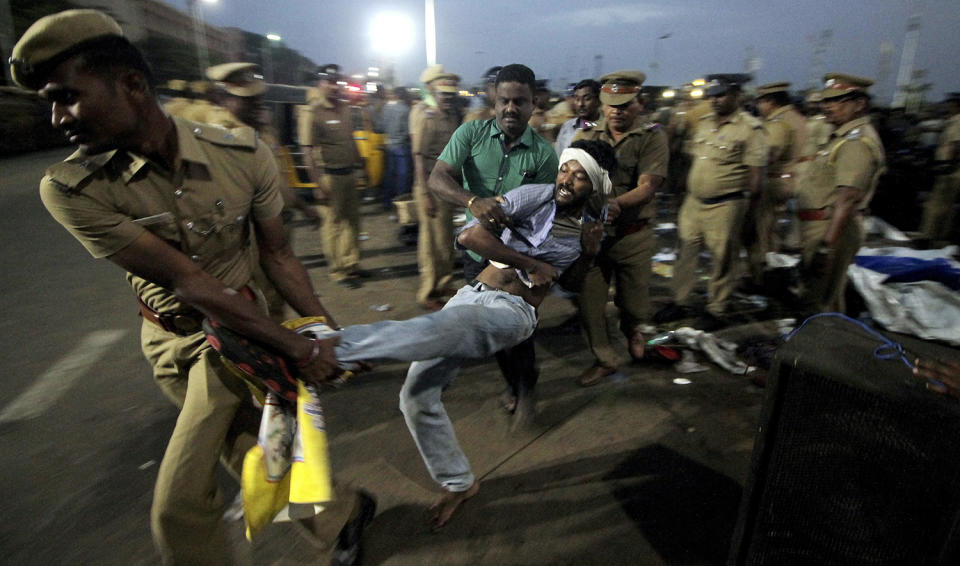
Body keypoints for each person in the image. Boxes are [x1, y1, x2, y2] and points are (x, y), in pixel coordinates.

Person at [10, 9, 373, 566]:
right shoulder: (69, 187)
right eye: (50, 103)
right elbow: (189, 282)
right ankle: (344, 513)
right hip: (176, 342)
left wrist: (323, 332)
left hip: (241, 341)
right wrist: (301, 347)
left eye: (67, 96)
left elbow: (277, 254)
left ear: (130, 85)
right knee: (258, 453)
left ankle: (339, 516)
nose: (58, 118)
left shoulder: (242, 153)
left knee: (177, 507)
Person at [331, 140, 611, 529]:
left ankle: (335, 349)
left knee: (443, 328)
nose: (567, 180)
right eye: (566, 169)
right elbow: (470, 238)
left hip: (514, 311)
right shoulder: (537, 194)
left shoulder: (590, 225)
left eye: (580, 177)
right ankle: (460, 483)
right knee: (415, 396)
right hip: (472, 295)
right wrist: (529, 261)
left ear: (594, 185)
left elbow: (573, 284)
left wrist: (588, 253)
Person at [429, 63, 559, 430]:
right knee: (492, 331)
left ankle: (526, 388)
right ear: (493, 99)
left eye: (520, 101)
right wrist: (473, 201)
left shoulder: (544, 156)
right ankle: (513, 385)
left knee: (518, 330)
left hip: (517, 258)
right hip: (475, 255)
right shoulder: (469, 134)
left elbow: (547, 215)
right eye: (504, 101)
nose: (510, 109)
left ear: (534, 104)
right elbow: (437, 178)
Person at [571, 70, 669, 386]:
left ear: (638, 104)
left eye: (624, 104)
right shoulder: (585, 135)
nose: (617, 111)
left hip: (633, 236)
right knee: (590, 305)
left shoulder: (652, 136)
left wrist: (617, 204)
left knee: (634, 303)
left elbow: (648, 184)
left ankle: (634, 332)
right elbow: (569, 176)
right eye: (611, 104)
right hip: (594, 238)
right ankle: (605, 359)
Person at [203, 61, 321, 322]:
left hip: (275, 224)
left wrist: (302, 207)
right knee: (262, 301)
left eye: (258, 99)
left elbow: (277, 180)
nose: (258, 106)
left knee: (277, 297)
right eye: (247, 100)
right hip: (250, 235)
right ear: (223, 99)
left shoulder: (259, 129)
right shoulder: (220, 136)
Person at [655, 74, 767, 331]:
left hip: (726, 203)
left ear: (736, 95)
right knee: (685, 252)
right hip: (694, 201)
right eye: (712, 96)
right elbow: (693, 161)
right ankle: (679, 301)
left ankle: (716, 308)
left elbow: (756, 178)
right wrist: (681, 193)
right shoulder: (704, 124)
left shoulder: (750, 129)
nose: (715, 100)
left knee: (722, 258)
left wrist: (750, 216)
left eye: (721, 95)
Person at [795, 73, 885, 314]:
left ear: (859, 104)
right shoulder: (840, 137)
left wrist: (826, 246)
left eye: (837, 101)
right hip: (822, 225)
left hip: (833, 228)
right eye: (826, 101)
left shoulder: (856, 142)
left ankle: (817, 349)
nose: (828, 106)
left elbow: (847, 198)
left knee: (817, 300)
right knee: (828, 296)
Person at [299, 64, 368, 289]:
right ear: (320, 84)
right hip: (329, 177)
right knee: (334, 226)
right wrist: (317, 184)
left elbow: (350, 140)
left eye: (337, 82)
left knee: (353, 223)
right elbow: (307, 151)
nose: (334, 86)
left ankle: (351, 265)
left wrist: (361, 165)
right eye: (329, 82)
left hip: (349, 174)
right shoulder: (313, 112)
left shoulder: (346, 108)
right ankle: (338, 271)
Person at [410, 66, 462, 310]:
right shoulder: (425, 115)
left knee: (445, 239)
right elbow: (419, 156)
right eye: (444, 94)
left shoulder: (450, 115)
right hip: (430, 185)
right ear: (432, 90)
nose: (449, 98)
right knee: (431, 242)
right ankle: (428, 292)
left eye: (452, 94)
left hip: (447, 184)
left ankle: (443, 282)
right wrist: (424, 194)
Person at [747, 81, 808, 287]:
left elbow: (767, 155)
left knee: (759, 230)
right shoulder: (797, 117)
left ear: (770, 102)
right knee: (771, 229)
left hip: (775, 181)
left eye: (760, 102)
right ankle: (772, 268)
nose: (758, 107)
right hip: (793, 179)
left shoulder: (778, 123)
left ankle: (760, 276)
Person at [918, 93, 960, 247]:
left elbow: (955, 144)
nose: (946, 106)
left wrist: (948, 163)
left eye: (949, 103)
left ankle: (929, 236)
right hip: (951, 168)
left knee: (938, 204)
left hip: (951, 170)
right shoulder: (951, 121)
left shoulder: (957, 122)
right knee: (945, 205)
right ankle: (939, 236)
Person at [379, 86, 414, 211]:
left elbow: (381, 126)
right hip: (402, 148)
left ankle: (387, 202)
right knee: (402, 178)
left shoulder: (386, 108)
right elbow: (409, 131)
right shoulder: (406, 110)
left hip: (389, 146)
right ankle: (400, 206)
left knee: (389, 176)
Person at [555, 78, 601, 156]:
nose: (580, 104)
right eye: (577, 99)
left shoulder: (606, 127)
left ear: (598, 101)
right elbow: (559, 156)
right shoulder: (568, 126)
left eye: (587, 99)